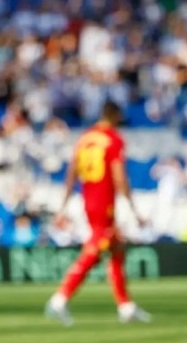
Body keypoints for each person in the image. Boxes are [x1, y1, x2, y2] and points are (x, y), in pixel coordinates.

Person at [46, 102, 151, 325]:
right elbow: (119, 177)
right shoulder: (113, 140)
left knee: (116, 249)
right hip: (104, 203)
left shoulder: (84, 138)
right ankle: (59, 299)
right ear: (114, 115)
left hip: (88, 200)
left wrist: (63, 205)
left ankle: (126, 306)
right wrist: (134, 209)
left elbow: (71, 173)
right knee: (93, 251)